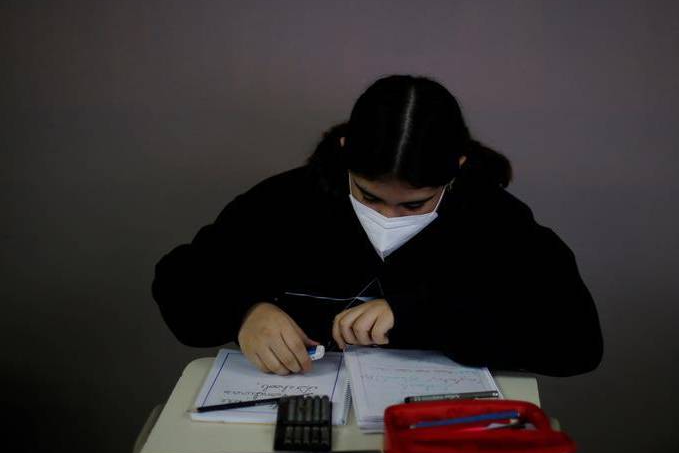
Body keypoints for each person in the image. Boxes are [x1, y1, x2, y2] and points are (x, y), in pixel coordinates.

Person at [153, 75, 602, 377]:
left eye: (415, 204)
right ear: (345, 150)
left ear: (458, 166)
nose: (388, 217)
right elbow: (180, 282)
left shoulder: (494, 220)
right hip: (296, 428)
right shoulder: (284, 203)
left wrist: (418, 314)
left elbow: (575, 344)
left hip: (435, 438)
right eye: (369, 197)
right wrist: (245, 313)